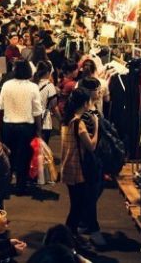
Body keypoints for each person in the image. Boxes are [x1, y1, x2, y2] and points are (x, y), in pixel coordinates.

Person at [60, 88, 102, 246]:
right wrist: (96, 126)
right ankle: (67, 236)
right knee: (77, 207)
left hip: (68, 167)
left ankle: (71, 235)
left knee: (76, 204)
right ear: (85, 103)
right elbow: (91, 146)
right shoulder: (79, 123)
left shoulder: (67, 120)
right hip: (78, 169)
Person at [0, 60, 42, 195]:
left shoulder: (6, 85)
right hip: (26, 127)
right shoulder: (33, 87)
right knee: (24, 158)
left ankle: (5, 185)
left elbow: (0, 107)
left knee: (8, 157)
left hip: (8, 126)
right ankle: (20, 187)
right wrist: (39, 130)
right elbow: (37, 111)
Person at [33, 61, 58, 143]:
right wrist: (61, 119)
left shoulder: (32, 84)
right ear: (48, 72)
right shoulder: (50, 86)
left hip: (31, 120)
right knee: (42, 149)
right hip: (44, 122)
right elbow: (54, 106)